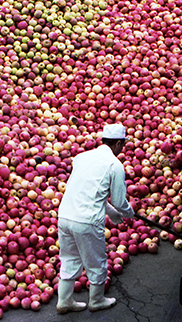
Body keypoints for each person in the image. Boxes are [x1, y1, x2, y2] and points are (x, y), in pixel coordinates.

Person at [56, 123, 135, 313]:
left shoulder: (81, 157)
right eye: (122, 145)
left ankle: (64, 301)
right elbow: (118, 199)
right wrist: (127, 212)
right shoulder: (114, 165)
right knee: (96, 262)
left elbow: (88, 193)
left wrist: (111, 212)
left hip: (65, 215)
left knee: (69, 259)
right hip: (87, 221)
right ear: (118, 144)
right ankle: (97, 300)